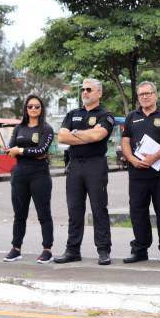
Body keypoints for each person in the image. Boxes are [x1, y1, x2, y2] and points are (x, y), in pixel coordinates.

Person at [54, 79, 115, 265]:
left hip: (95, 164)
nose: (85, 92)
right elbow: (61, 137)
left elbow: (99, 135)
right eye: (83, 89)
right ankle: (72, 250)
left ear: (99, 93)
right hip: (74, 165)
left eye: (89, 89)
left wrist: (74, 134)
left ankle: (103, 250)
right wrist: (87, 135)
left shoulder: (105, 115)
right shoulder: (73, 113)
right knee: (74, 210)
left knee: (99, 208)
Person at [120, 81, 160, 264]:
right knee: (137, 212)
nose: (145, 97)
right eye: (141, 94)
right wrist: (132, 159)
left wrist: (154, 157)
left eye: (148, 93)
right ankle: (140, 249)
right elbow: (125, 141)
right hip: (137, 174)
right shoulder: (132, 117)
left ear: (156, 95)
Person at [3, 95, 55, 264]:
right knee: (19, 214)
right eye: (30, 106)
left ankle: (47, 250)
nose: (33, 109)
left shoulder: (46, 129)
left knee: (43, 214)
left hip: (40, 175)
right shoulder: (19, 128)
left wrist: (21, 151)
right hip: (19, 175)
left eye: (37, 106)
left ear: (41, 109)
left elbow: (41, 151)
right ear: (26, 109)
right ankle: (16, 248)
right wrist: (25, 151)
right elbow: (10, 150)